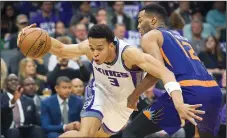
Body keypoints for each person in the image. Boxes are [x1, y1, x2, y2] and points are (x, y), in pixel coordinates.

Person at [18, 23, 203, 137]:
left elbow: (165, 73)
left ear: (112, 45)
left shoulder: (130, 55)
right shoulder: (91, 48)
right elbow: (62, 49)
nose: (94, 53)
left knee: (98, 136)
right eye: (92, 48)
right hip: (99, 91)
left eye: (100, 48)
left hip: (122, 105)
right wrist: (33, 37)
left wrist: (178, 102)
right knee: (86, 134)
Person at [123, 4, 222, 138]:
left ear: (153, 20)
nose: (138, 26)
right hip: (214, 91)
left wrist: (134, 95)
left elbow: (157, 71)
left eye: (140, 21)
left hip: (188, 91)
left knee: (132, 132)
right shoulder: (180, 37)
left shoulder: (150, 36)